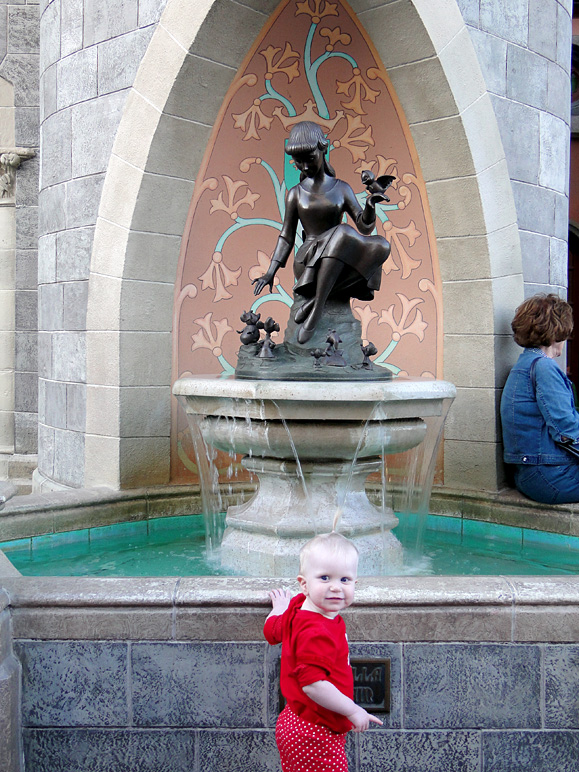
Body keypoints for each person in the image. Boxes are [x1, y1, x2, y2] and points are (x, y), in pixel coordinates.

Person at [252, 121, 390, 344]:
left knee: (383, 245)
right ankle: (316, 312)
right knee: (343, 232)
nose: (304, 166)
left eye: (309, 158)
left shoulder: (341, 188)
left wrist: (371, 206)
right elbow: (287, 236)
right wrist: (271, 271)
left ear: (323, 150)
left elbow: (364, 227)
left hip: (339, 254)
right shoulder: (295, 194)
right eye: (298, 161)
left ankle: (316, 301)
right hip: (308, 260)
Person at [264, 532, 382, 772]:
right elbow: (313, 684)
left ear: (355, 584)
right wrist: (352, 709)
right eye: (325, 578)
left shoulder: (297, 606)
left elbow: (271, 631)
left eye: (345, 580)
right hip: (314, 732)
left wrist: (279, 609)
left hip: (298, 720)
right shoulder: (318, 631)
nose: (336, 588)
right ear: (304, 584)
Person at [500, 293, 579, 504]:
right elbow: (565, 430)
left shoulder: (527, 363)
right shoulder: (543, 367)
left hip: (534, 473)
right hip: (551, 476)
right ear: (557, 332)